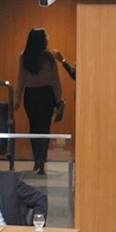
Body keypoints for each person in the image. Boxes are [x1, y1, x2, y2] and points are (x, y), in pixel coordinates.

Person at [16, 27, 74, 176]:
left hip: (30, 95)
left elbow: (21, 80)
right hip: (47, 95)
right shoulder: (48, 57)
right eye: (46, 36)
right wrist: (58, 98)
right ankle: (42, 159)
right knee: (44, 128)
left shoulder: (25, 57)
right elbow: (55, 80)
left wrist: (17, 99)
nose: (47, 38)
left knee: (34, 127)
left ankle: (37, 159)